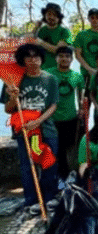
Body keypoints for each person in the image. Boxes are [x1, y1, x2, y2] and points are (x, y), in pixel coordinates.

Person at [2, 43, 59, 216]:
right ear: (23, 60)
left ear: (42, 59)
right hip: (24, 130)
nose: (33, 60)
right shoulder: (13, 79)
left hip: (46, 129)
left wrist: (39, 121)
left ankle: (49, 198)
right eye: (28, 57)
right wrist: (13, 97)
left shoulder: (50, 79)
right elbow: (8, 109)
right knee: (28, 166)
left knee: (48, 161)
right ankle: (31, 200)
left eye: (36, 57)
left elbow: (53, 105)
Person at [46, 46, 85, 180]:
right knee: (55, 150)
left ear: (72, 59)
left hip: (70, 118)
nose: (64, 59)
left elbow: (81, 96)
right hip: (52, 118)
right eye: (61, 56)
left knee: (70, 150)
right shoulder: (48, 74)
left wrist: (81, 109)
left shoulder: (77, 76)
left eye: (67, 56)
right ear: (56, 58)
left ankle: (71, 177)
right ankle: (57, 178)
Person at [35, 2, 72, 70]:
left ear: (59, 18)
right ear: (45, 16)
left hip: (57, 70)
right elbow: (28, 40)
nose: (51, 17)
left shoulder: (64, 31)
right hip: (41, 70)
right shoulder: (41, 30)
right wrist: (35, 28)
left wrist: (40, 42)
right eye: (49, 14)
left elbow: (58, 50)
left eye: (54, 15)